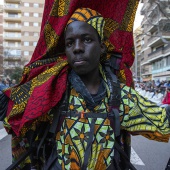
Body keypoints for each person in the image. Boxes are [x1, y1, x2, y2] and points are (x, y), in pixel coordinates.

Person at [0, 2, 169, 170]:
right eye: (70, 43)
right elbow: (12, 110)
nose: (78, 48)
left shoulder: (118, 96)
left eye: (87, 40)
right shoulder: (51, 92)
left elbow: (161, 121)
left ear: (102, 47)